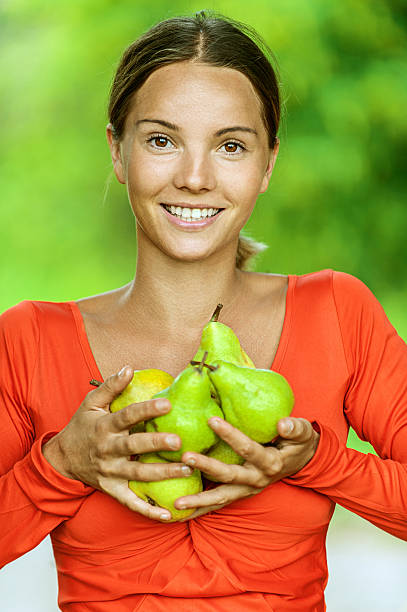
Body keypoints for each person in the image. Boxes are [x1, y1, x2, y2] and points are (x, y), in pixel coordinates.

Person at [1, 10, 406, 612]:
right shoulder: (30, 339)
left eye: (231, 146)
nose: (194, 177)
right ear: (118, 151)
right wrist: (60, 464)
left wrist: (319, 459)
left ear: (268, 163)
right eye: (162, 140)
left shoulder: (337, 312)